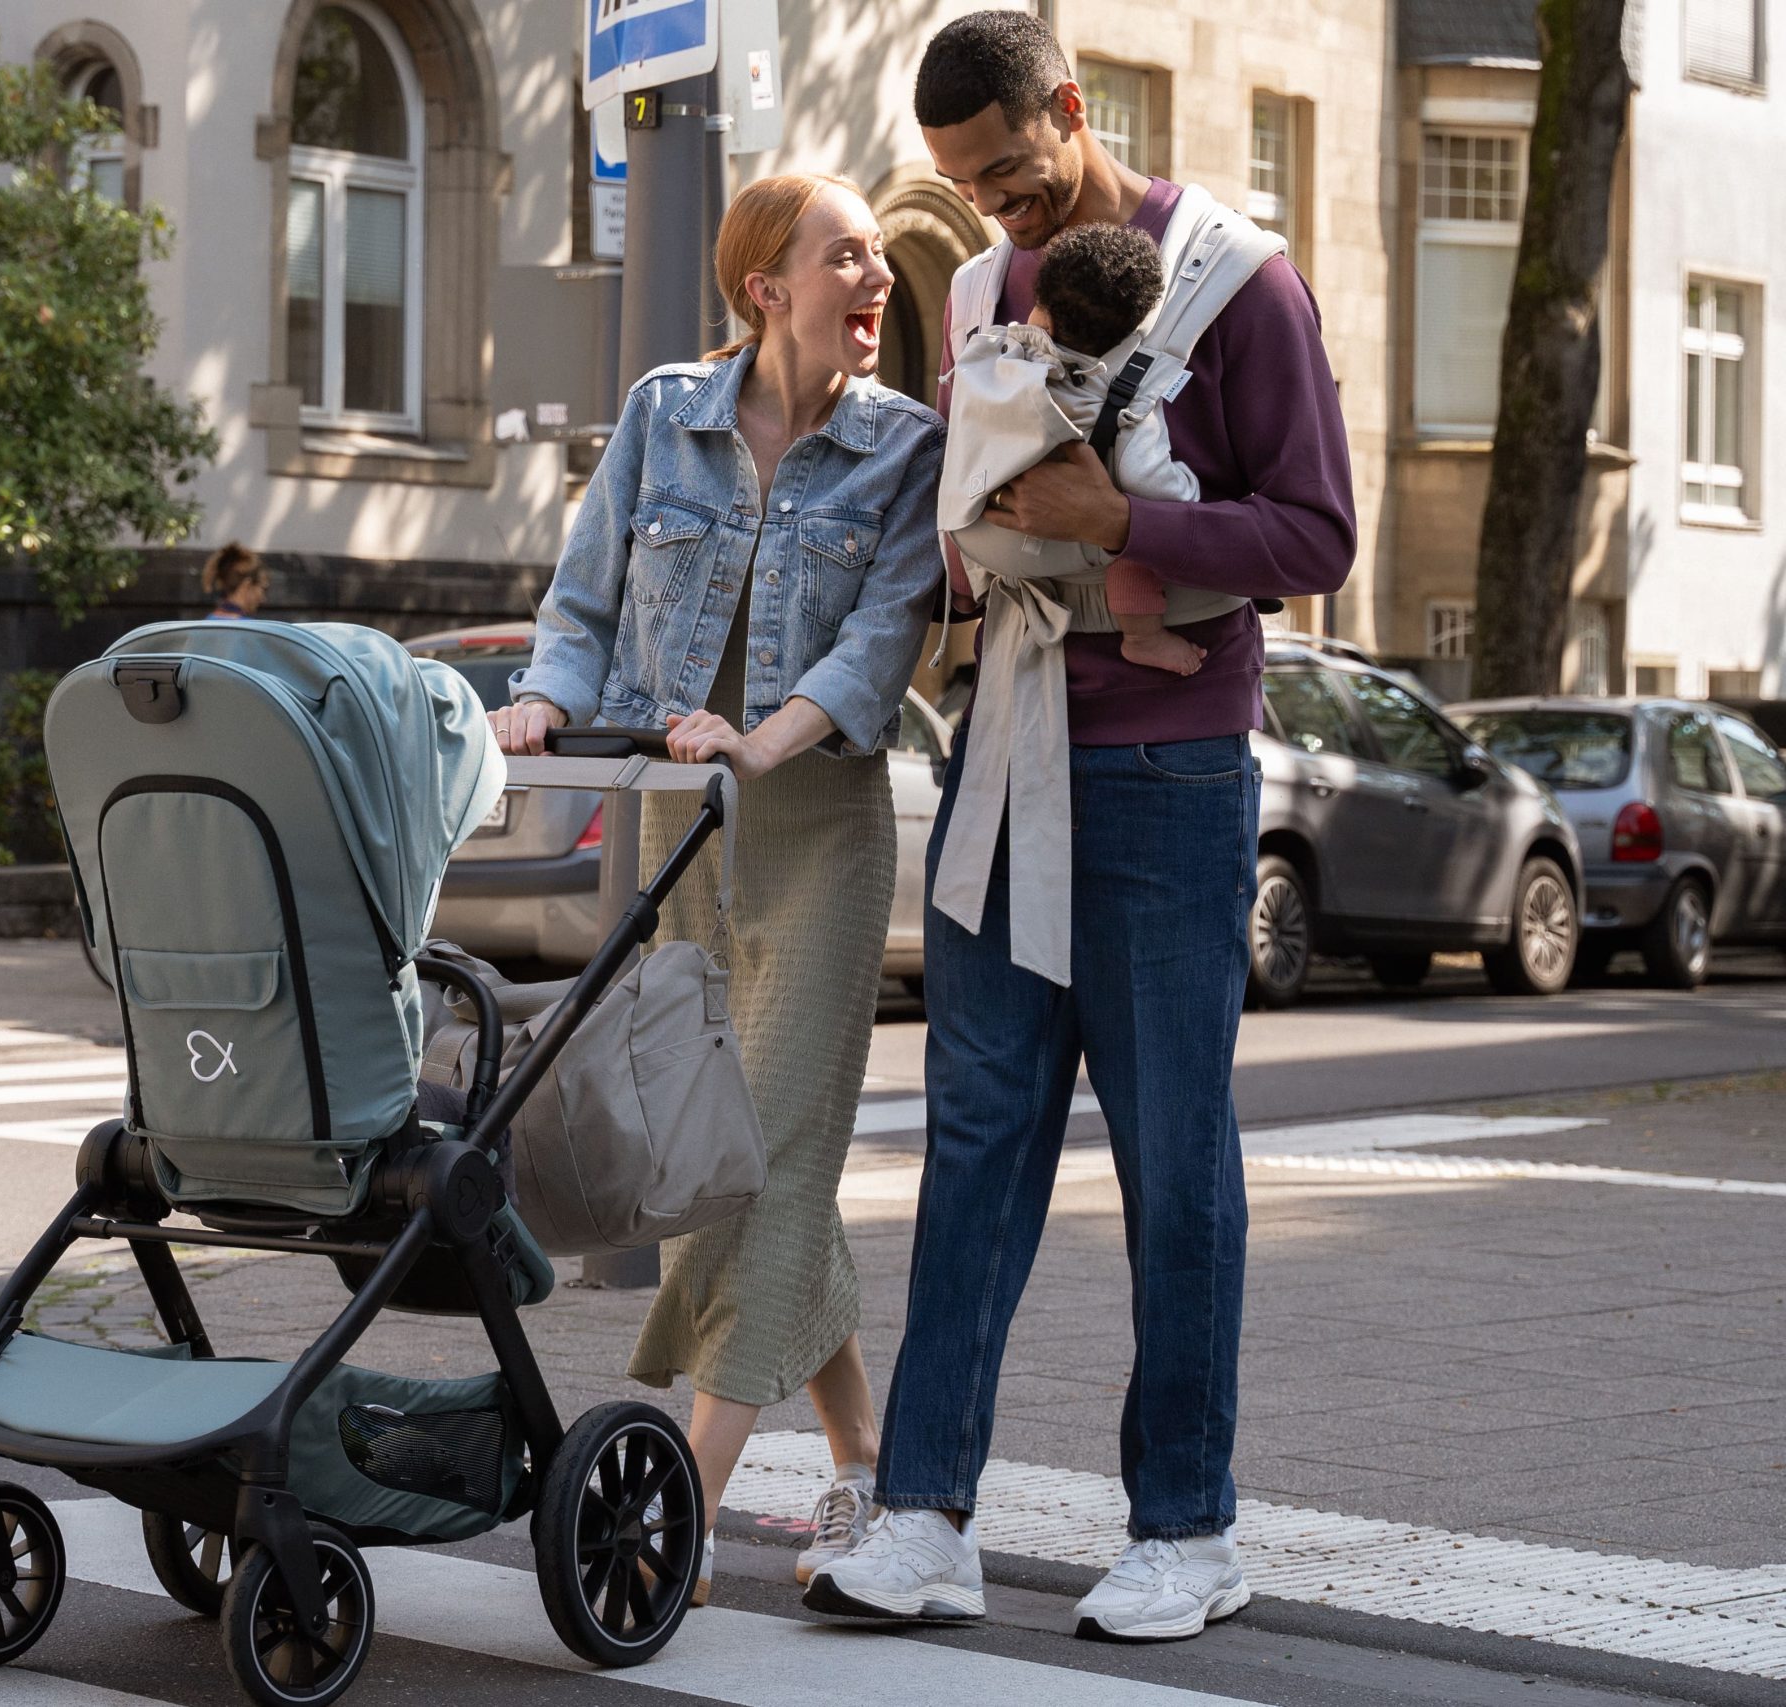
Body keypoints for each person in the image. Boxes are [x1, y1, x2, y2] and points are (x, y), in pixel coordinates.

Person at [806, 10, 1354, 1642]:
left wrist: (1122, 517)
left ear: (1070, 107)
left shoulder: (1242, 283)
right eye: (970, 192)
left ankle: (1187, 1526)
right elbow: (962, 514)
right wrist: (975, 543)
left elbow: (1318, 529)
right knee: (976, 1141)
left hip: (1173, 764)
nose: (1000, 218)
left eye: (1015, 174)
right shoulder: (975, 292)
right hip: (1006, 745)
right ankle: (924, 1516)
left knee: (1171, 1152)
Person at [497, 173, 944, 1607]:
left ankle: (674, 1499)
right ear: (768, 286)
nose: (877, 279)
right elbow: (583, 602)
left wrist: (759, 739)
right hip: (685, 832)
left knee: (778, 1157)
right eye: (848, 257)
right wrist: (543, 705)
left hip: (812, 828)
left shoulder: (903, 448)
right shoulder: (661, 414)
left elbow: (880, 645)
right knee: (711, 1154)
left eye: (878, 256)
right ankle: (866, 1445)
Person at [1016, 223, 1206, 676]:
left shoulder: (1011, 358)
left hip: (1009, 515)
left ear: (1043, 315)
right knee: (1132, 545)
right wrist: (1190, 491)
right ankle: (1143, 636)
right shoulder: (1121, 395)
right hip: (1082, 527)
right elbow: (1146, 479)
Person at [201, 543, 267, 619]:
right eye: (262, 589)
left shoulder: (206, 623)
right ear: (247, 585)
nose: (263, 599)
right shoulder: (254, 629)